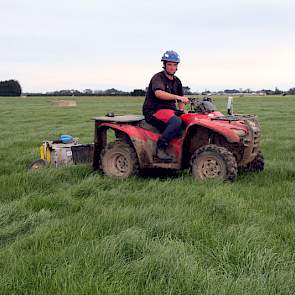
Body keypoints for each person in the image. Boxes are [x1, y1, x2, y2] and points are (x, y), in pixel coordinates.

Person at [142, 50, 189, 161]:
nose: (172, 67)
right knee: (176, 122)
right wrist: (178, 97)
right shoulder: (158, 77)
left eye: (174, 65)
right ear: (164, 65)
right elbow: (159, 93)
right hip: (154, 110)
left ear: (177, 66)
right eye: (169, 64)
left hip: (169, 110)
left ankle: (182, 150)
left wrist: (182, 111)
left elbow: (181, 99)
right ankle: (161, 148)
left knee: (188, 119)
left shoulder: (177, 81)